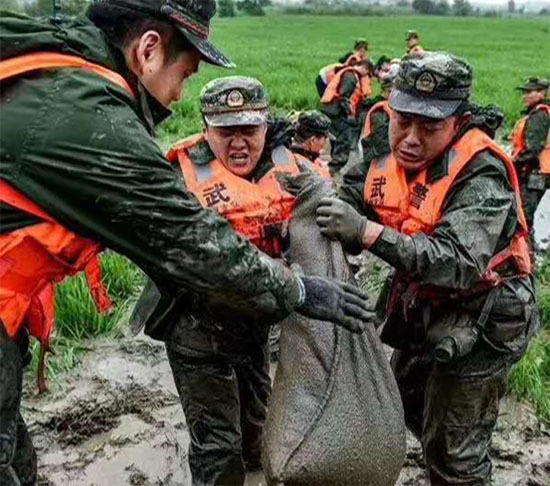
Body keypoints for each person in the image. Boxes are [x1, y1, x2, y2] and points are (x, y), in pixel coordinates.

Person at [0, 2, 372, 484]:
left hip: (246, 323)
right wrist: (301, 291)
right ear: (149, 49)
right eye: (185, 74)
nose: (177, 96)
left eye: (250, 130)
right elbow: (191, 241)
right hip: (201, 324)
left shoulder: (55, 70)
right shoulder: (89, 117)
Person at [316, 52, 536, 484]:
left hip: (485, 312)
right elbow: (354, 189)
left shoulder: (480, 171)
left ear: (458, 122)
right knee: (404, 401)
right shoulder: (384, 140)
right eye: (404, 120)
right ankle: (453, 435)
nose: (411, 138)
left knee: (454, 457)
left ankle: (463, 460)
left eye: (430, 126)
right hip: (425, 301)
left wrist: (367, 233)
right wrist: (341, 212)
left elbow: (457, 263)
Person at [150, 76, 331, 486]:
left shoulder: (295, 171)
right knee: (217, 445)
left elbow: (328, 234)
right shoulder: (174, 178)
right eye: (225, 132)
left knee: (257, 425)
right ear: (205, 129)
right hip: (196, 326)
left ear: (266, 127)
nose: (238, 144)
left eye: (248, 130)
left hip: (256, 323)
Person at [511, 76, 550, 249]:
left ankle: (527, 253)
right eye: (524, 92)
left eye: (529, 92)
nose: (525, 96)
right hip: (540, 171)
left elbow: (533, 148)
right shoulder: (541, 113)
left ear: (541, 93)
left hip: (535, 173)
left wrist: (512, 163)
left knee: (527, 215)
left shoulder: (540, 114)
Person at [320, 60, 373, 175]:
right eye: (367, 72)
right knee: (344, 140)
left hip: (331, 110)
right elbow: (343, 97)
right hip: (337, 112)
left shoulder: (349, 74)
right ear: (365, 68)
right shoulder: (350, 77)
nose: (366, 76)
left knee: (335, 138)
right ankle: (332, 169)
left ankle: (332, 167)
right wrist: (350, 115)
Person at [360, 77, 393, 169]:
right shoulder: (380, 111)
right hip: (376, 153)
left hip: (375, 149)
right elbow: (380, 139)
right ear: (386, 92)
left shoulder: (382, 105)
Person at [290, 110, 332, 176]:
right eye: (325, 138)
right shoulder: (316, 173)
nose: (324, 144)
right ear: (313, 140)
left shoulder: (286, 153)